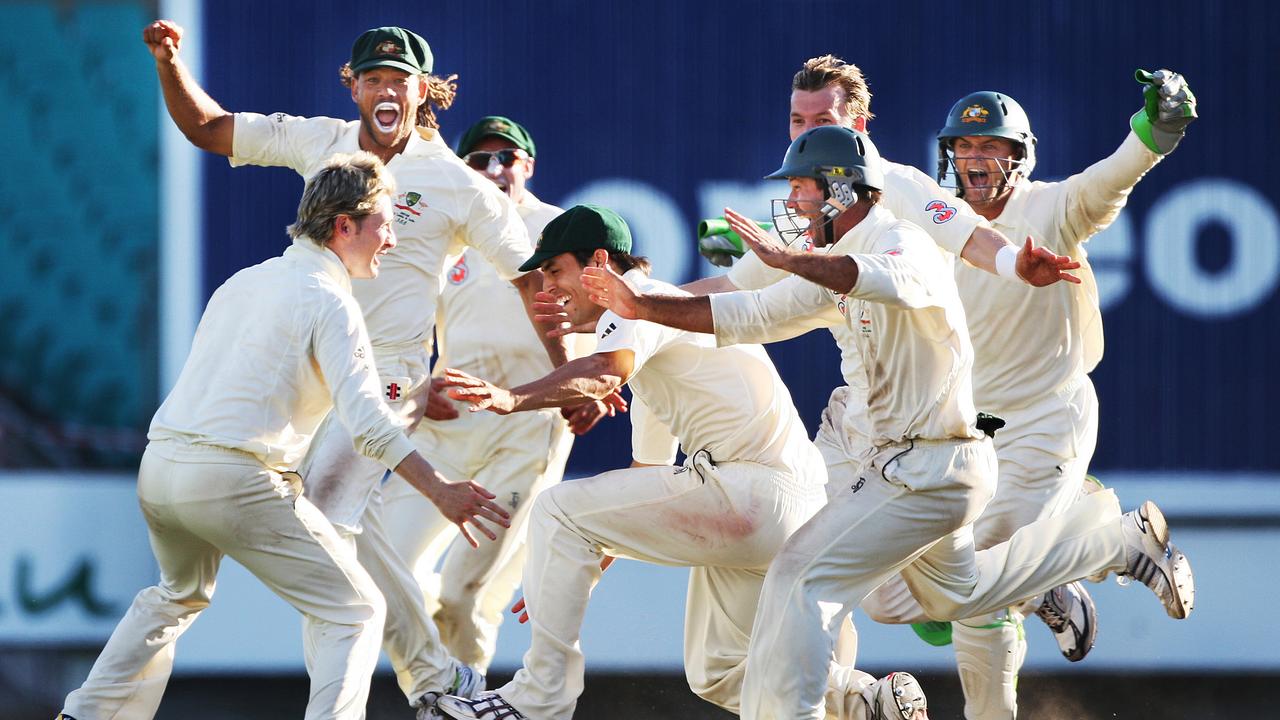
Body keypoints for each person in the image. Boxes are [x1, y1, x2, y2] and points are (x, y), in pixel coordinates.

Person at [580, 126, 1194, 720]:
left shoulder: (905, 241)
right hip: (918, 469)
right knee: (955, 594)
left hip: (929, 467)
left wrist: (795, 261)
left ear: (843, 189)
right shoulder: (830, 259)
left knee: (799, 573)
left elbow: (880, 280)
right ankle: (1117, 542)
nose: (791, 202)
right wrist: (640, 307)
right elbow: (749, 314)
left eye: (802, 189)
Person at [143, 20, 570, 715]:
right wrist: (168, 62)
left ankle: (424, 679)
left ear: (424, 91)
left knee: (322, 520)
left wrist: (565, 378)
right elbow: (210, 128)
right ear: (353, 85)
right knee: (329, 547)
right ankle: (431, 681)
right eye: (373, 78)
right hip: (313, 378)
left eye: (399, 80)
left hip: (388, 380)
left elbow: (530, 282)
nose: (385, 90)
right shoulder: (321, 142)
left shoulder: (457, 183)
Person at [56, 154, 510, 720]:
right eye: (385, 224)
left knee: (176, 595)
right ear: (344, 226)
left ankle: (84, 714)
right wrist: (440, 489)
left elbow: (250, 386)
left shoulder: (244, 280)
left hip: (162, 469)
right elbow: (369, 425)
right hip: (232, 479)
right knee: (357, 610)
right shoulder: (332, 300)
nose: (392, 239)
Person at [430, 205, 918, 720]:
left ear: (599, 261)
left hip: (750, 489)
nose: (546, 287)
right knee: (720, 671)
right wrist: (570, 569)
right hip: (792, 512)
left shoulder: (639, 306)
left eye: (554, 270)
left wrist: (510, 399)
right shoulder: (655, 328)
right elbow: (648, 475)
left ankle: (537, 701)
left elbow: (604, 374)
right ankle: (862, 698)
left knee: (555, 510)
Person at [859, 71, 1198, 720]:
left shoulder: (1049, 210)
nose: (976, 161)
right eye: (965, 149)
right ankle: (1043, 579)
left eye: (992, 150)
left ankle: (1112, 536)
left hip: (1048, 422)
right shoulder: (931, 223)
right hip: (970, 432)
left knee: (976, 574)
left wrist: (1160, 130)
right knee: (892, 597)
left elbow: (1111, 180)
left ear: (1020, 159)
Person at [380, 116, 597, 674]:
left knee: (463, 597)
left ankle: (463, 700)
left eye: (508, 158)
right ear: (463, 168)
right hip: (448, 425)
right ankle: (440, 695)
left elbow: (610, 323)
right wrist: (417, 385)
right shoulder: (446, 226)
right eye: (480, 160)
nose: (495, 169)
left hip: (527, 429)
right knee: (379, 575)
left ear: (530, 165)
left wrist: (590, 383)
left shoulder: (563, 229)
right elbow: (396, 318)